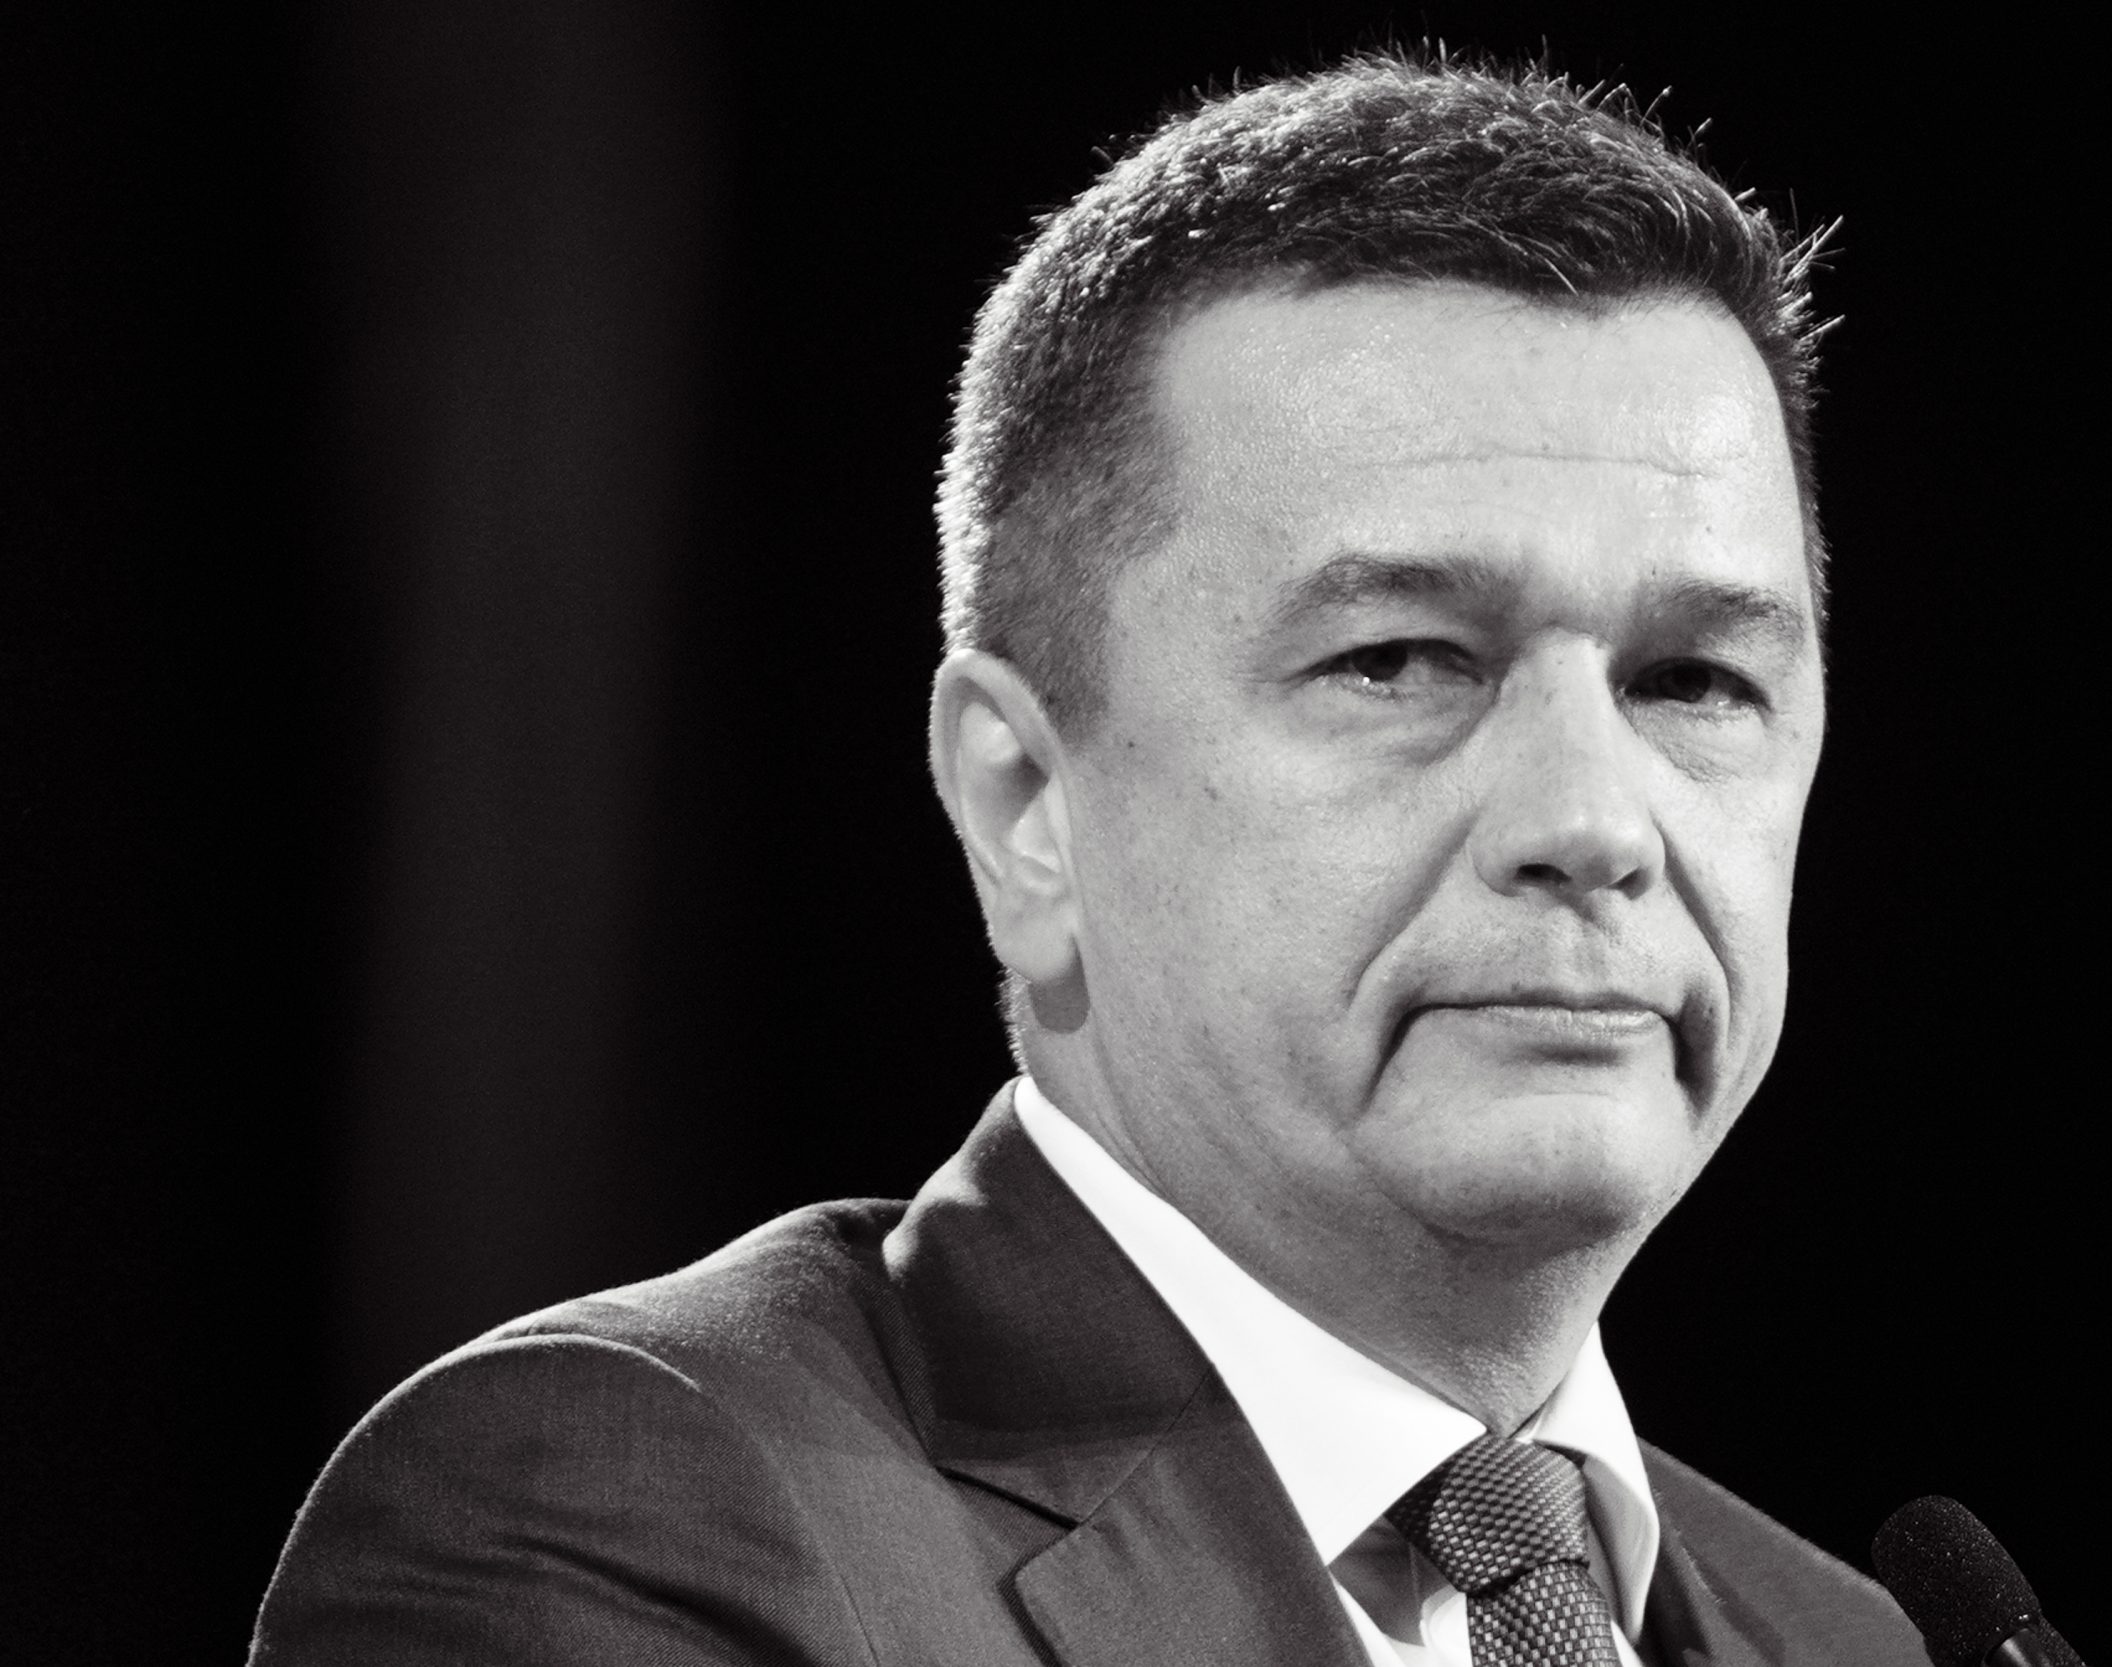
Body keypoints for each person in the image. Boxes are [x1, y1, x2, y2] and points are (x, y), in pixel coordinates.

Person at [252, 52, 1930, 1667]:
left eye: (1693, 682)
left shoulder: (1856, 1637)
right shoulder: (625, 1518)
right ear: (1022, 805)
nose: (1594, 824)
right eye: (1400, 663)